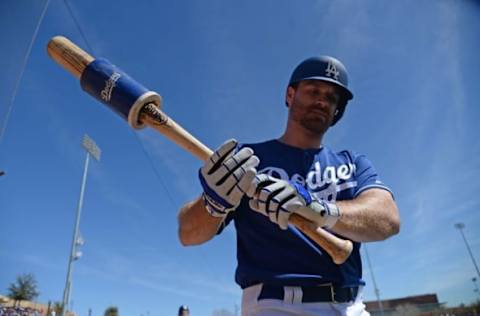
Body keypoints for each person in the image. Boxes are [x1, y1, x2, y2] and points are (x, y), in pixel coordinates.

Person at [178, 56, 400, 315]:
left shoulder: (352, 163)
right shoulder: (247, 159)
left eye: (331, 97)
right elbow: (187, 234)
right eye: (313, 90)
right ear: (290, 95)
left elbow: (388, 219)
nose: (322, 100)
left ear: (337, 110)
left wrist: (319, 209)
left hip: (351, 305)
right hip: (274, 304)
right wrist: (212, 203)